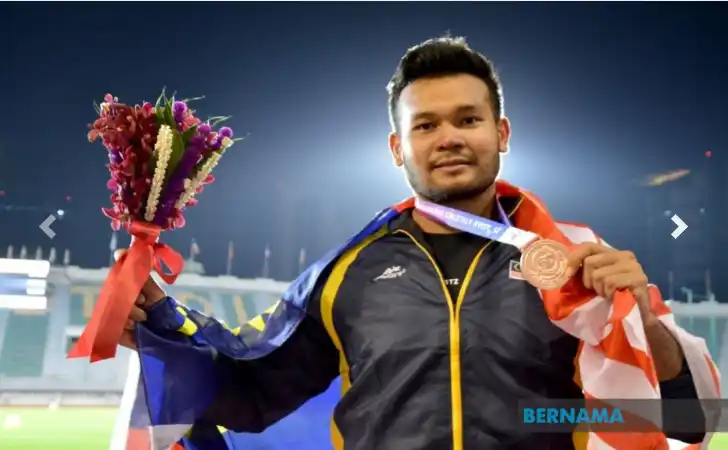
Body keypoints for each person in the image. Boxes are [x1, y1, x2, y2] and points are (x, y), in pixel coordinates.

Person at [117, 37, 718, 450]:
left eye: (468, 119)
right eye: (425, 125)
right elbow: (250, 395)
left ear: (501, 133)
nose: (448, 138)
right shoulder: (344, 272)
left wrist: (643, 323)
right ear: (397, 149)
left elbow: (691, 420)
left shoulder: (577, 259)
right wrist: (157, 326)